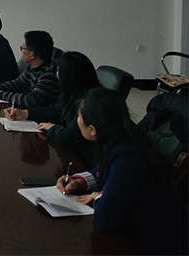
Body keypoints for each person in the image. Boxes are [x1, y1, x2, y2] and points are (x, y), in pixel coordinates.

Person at [57, 88, 188, 255]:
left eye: (79, 116)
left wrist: (99, 195)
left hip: (154, 244)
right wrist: (81, 181)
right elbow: (107, 170)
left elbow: (106, 219)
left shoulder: (127, 157)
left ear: (92, 129)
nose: (77, 120)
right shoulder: (123, 138)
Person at [5, 51, 100, 167]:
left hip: (82, 160)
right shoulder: (75, 92)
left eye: (59, 71)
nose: (57, 74)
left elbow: (68, 137)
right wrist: (25, 113)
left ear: (68, 76)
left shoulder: (89, 102)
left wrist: (51, 127)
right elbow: (57, 110)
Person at [0, 30, 60, 108]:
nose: (22, 51)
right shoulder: (33, 67)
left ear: (32, 55)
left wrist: (0, 95)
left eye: (23, 48)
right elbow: (18, 83)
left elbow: (31, 100)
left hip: (44, 114)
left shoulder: (49, 74)